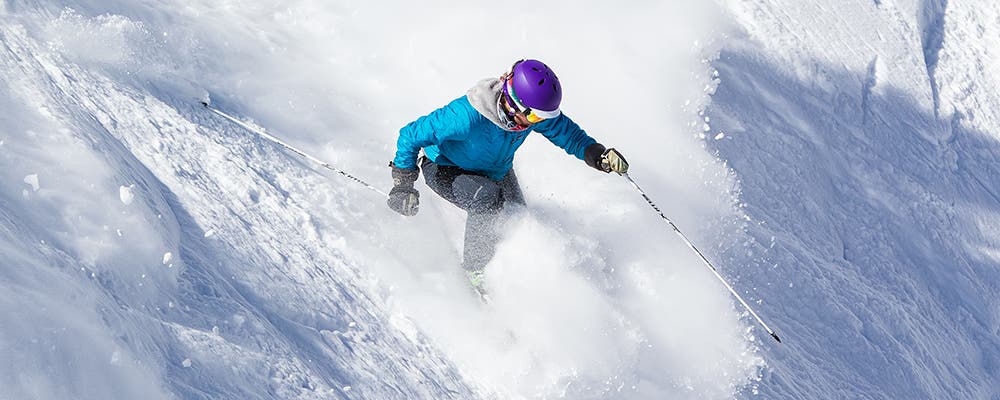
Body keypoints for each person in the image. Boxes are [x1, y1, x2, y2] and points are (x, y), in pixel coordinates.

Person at [387, 59, 628, 293]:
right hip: (444, 168)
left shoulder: (526, 116)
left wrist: (598, 155)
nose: (537, 123)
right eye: (535, 117)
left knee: (517, 217)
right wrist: (403, 184)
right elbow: (410, 135)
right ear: (512, 102)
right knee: (487, 199)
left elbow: (568, 135)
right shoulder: (466, 116)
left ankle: (511, 271)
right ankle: (474, 271)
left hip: (494, 171)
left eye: (543, 118)